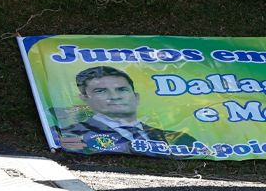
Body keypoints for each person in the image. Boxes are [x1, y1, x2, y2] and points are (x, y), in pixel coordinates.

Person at [58, 66, 197, 154]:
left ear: (136, 98)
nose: (115, 96)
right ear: (85, 99)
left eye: (122, 89)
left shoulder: (180, 140)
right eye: (101, 91)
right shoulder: (70, 135)